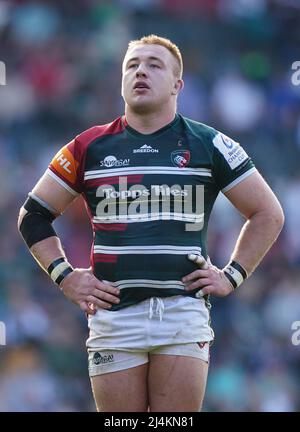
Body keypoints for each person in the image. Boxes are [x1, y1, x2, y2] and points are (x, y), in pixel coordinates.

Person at [18, 34, 284, 412]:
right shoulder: (88, 146)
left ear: (178, 85)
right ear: (122, 80)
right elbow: (33, 216)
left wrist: (232, 275)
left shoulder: (209, 143)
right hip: (114, 317)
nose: (141, 70)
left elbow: (268, 213)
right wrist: (65, 276)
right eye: (133, 65)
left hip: (181, 312)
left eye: (154, 64)